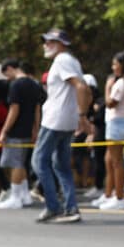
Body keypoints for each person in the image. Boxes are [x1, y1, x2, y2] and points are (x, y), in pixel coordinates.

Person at [32, 29, 91, 223]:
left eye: (50, 41)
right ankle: (71, 207)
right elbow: (85, 89)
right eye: (45, 41)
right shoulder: (72, 61)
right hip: (67, 120)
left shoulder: (62, 61)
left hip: (55, 119)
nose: (46, 45)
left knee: (39, 162)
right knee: (62, 166)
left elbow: (81, 87)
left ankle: (53, 206)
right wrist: (81, 115)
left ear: (62, 44)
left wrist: (82, 115)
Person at [94, 51, 124, 210]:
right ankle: (109, 194)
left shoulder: (121, 83)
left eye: (115, 64)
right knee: (109, 160)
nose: (113, 67)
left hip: (117, 122)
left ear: (123, 65)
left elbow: (110, 103)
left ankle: (119, 197)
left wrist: (107, 87)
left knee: (117, 162)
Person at [0, 60, 40, 210]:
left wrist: (4, 130)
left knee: (14, 163)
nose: (7, 78)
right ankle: (24, 194)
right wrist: (36, 128)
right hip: (28, 129)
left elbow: (14, 109)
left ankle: (15, 197)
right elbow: (37, 109)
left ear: (10, 69)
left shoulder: (16, 85)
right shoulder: (34, 84)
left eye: (6, 74)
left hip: (16, 130)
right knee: (21, 161)